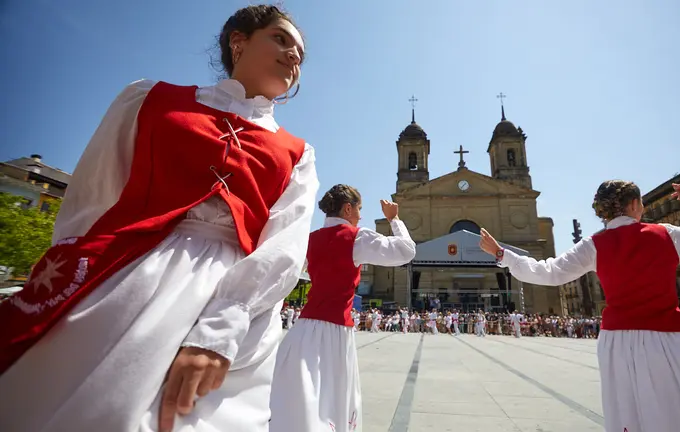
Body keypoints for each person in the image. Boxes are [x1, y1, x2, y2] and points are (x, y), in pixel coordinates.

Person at [0, 5, 318, 432]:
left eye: (300, 52)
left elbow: (285, 244)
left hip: (234, 292)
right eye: (281, 39)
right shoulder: (150, 99)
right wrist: (74, 273)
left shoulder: (297, 152)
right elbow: (93, 198)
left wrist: (223, 324)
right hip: (124, 270)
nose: (293, 55)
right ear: (238, 41)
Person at [479, 180, 680, 432]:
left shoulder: (593, 244)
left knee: (632, 408)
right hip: (671, 336)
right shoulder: (665, 234)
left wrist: (503, 254)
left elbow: (548, 272)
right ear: (633, 204)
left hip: (618, 340)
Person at [269, 184, 416, 432]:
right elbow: (405, 251)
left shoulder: (310, 239)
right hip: (334, 330)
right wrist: (395, 219)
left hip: (302, 329)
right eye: (358, 209)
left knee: (297, 394)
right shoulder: (355, 237)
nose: (360, 215)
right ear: (347, 208)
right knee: (332, 398)